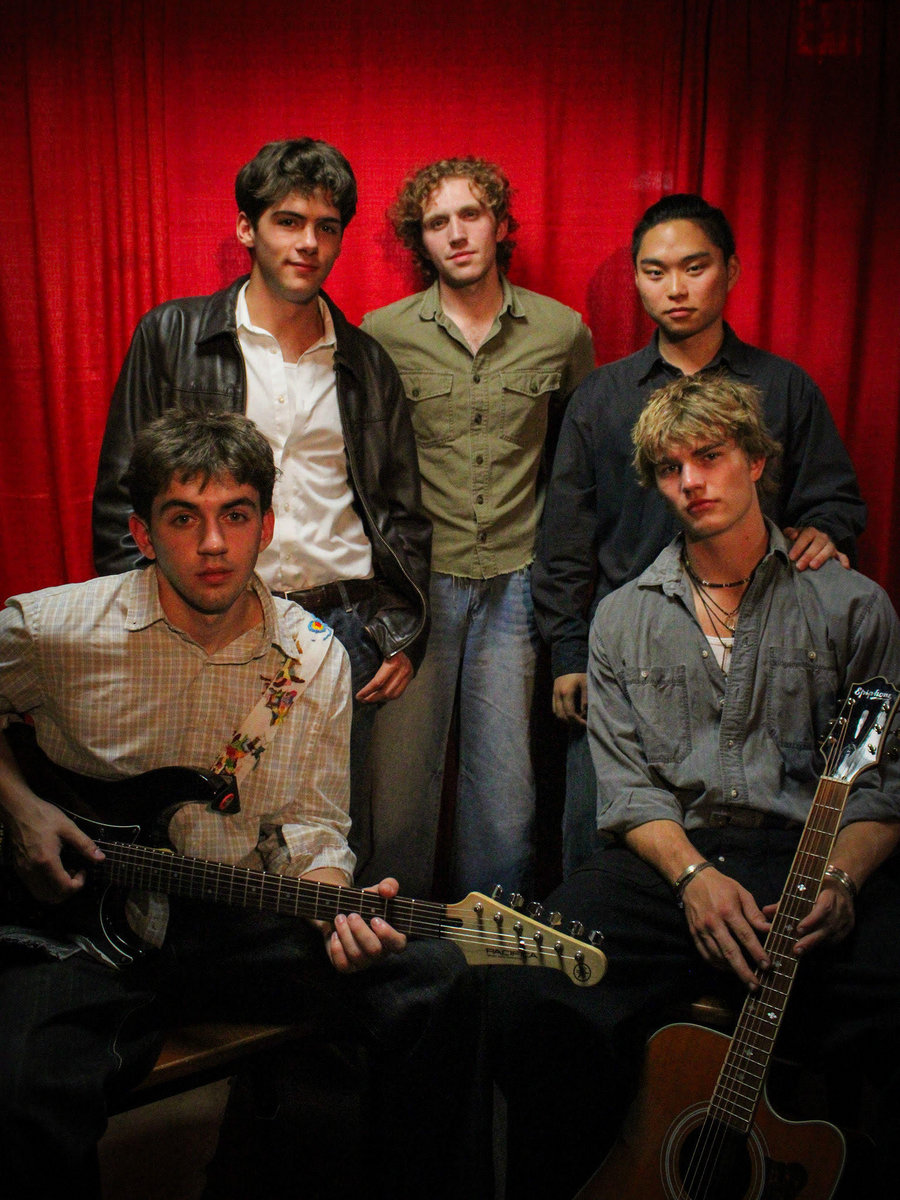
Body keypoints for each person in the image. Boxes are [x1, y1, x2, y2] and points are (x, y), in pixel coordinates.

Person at [0, 410, 480, 1200]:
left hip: (228, 918)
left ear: (266, 526)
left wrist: (330, 897)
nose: (214, 544)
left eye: (235, 514)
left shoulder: (310, 656)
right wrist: (20, 807)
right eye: (183, 518)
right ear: (143, 532)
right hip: (79, 930)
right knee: (22, 1088)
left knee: (436, 980)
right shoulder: (56, 631)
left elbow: (313, 821)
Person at [489, 375, 900, 1199]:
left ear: (756, 461)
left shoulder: (852, 605)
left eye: (709, 457)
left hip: (809, 853)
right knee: (525, 980)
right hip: (671, 861)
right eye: (671, 468)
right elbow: (629, 791)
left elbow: (881, 788)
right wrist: (692, 879)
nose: (692, 481)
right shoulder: (621, 618)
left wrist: (841, 880)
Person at [91, 138, 431, 869]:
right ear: (247, 228)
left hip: (338, 632)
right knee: (192, 837)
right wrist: (145, 624)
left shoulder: (367, 362)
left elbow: (401, 510)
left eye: (326, 227)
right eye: (288, 221)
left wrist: (403, 632)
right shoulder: (172, 336)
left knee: (322, 841)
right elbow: (124, 496)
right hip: (208, 621)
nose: (308, 243)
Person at [532, 193, 868, 877]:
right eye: (655, 272)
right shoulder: (601, 397)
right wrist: (568, 649)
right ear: (636, 279)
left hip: (762, 655)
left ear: (731, 270)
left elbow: (835, 499)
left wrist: (824, 531)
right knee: (602, 854)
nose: (676, 288)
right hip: (625, 658)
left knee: (755, 844)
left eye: (695, 267)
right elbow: (565, 536)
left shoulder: (783, 388)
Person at [360, 157, 594, 897]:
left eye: (471, 214)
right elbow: (366, 467)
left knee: (505, 791)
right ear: (420, 240)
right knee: (397, 784)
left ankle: (488, 941)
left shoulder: (561, 330)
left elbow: (579, 461)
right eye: (437, 222)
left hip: (516, 583)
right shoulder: (383, 332)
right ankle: (390, 935)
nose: (457, 234)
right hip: (419, 587)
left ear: (499, 224)